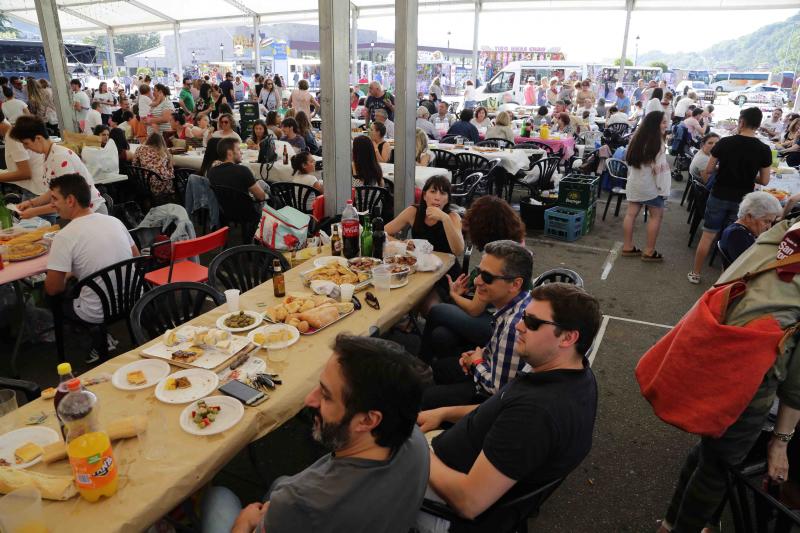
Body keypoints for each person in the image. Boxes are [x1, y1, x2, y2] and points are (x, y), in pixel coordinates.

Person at [416, 283, 600, 532]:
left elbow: (469, 502)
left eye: (533, 323)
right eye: (524, 316)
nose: (519, 326)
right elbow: (499, 410)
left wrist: (415, 448)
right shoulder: (575, 375)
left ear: (568, 337)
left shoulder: (535, 413)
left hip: (442, 505)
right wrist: (444, 412)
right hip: (452, 464)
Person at [203, 334, 429, 533]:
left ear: (368, 420)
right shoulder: (415, 439)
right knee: (280, 484)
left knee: (218, 496)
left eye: (326, 395)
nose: (309, 400)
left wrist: (244, 524)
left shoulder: (300, 501)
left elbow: (298, 503)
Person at [658, 217, 800, 533]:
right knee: (718, 467)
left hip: (716, 355)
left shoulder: (783, 230)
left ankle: (670, 523)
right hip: (749, 376)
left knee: (711, 452)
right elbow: (796, 383)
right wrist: (781, 440)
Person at [418, 240, 532, 409]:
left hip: (491, 400)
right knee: (439, 366)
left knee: (425, 398)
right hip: (491, 368)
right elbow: (496, 349)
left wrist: (477, 363)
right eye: (478, 272)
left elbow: (497, 392)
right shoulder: (515, 303)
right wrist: (479, 354)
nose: (477, 281)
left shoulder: (515, 327)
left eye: (487, 277)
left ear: (515, 284)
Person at [44, 173, 139, 364]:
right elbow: (135, 257)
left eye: (55, 198)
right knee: (78, 283)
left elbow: (53, 288)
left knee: (51, 297)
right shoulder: (113, 221)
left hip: (97, 311)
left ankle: (94, 340)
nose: (52, 204)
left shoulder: (64, 236)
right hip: (132, 297)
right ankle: (104, 337)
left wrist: (66, 274)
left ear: (70, 200)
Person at [688, 107, 772, 284]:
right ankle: (723, 281)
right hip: (743, 201)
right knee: (730, 238)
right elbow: (764, 180)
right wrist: (749, 175)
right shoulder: (764, 149)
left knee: (708, 235)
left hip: (719, 194)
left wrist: (724, 168)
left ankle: (695, 273)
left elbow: (709, 170)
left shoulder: (724, 143)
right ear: (758, 125)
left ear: (741, 122)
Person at [11, 116, 106, 219]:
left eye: (26, 143)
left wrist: (34, 211)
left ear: (38, 138)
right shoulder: (48, 155)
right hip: (78, 214)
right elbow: (54, 192)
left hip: (92, 212)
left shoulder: (59, 157)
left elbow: (67, 201)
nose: (25, 148)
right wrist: (32, 203)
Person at [621, 110, 671, 262]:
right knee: (656, 216)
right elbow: (660, 172)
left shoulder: (636, 140)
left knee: (630, 215)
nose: (666, 125)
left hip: (635, 184)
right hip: (652, 188)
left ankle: (627, 246)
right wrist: (663, 190)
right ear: (655, 124)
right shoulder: (657, 144)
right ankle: (649, 251)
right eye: (663, 122)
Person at [385, 175, 464, 257]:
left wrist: (445, 219)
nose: (437, 197)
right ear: (424, 195)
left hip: (446, 266)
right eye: (433, 191)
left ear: (447, 199)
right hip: (420, 263)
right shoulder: (413, 211)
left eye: (443, 193)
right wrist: (402, 244)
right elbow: (382, 233)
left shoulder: (453, 217)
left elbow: (458, 251)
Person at [718, 191, 782, 264]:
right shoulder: (737, 236)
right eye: (766, 221)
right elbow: (750, 268)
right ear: (749, 217)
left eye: (771, 222)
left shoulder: (741, 231)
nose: (769, 228)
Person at [207, 137, 267, 202]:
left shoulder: (212, 171)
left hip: (223, 210)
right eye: (238, 149)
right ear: (230, 153)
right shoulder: (243, 170)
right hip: (246, 210)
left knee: (261, 183)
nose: (241, 152)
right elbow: (261, 197)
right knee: (264, 187)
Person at [0, 119, 45, 196]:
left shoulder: (13, 137)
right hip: (35, 187)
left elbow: (25, 173)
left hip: (38, 190)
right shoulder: (12, 133)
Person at [132, 132, 175, 198]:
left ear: (149, 139)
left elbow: (134, 165)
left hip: (145, 185)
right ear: (161, 142)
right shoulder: (164, 153)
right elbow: (171, 173)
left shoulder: (140, 149)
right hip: (162, 186)